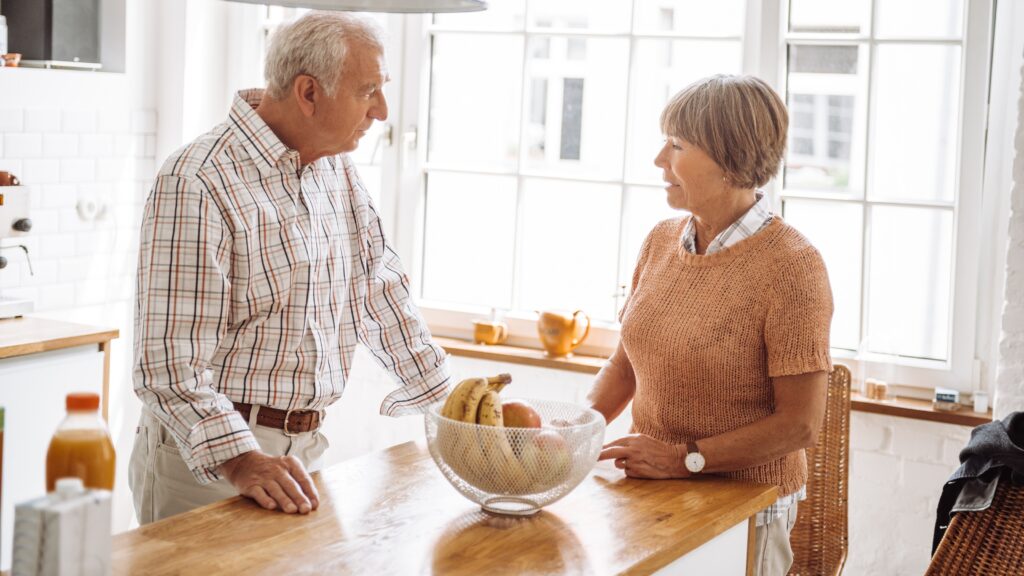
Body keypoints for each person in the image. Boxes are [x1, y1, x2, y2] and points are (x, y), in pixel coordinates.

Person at [128, 12, 451, 524]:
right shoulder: (197, 180)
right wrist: (242, 460)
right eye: (369, 91)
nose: (383, 111)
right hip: (210, 461)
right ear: (308, 92)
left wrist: (455, 407)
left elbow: (378, 290)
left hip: (304, 450)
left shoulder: (334, 168)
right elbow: (168, 363)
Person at [592, 74, 833, 576]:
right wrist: (574, 432)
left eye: (677, 145)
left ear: (730, 159)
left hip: (745, 509)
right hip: (649, 491)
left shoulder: (793, 267)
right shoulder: (660, 241)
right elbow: (626, 364)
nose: (660, 160)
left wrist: (684, 459)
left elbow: (801, 424)